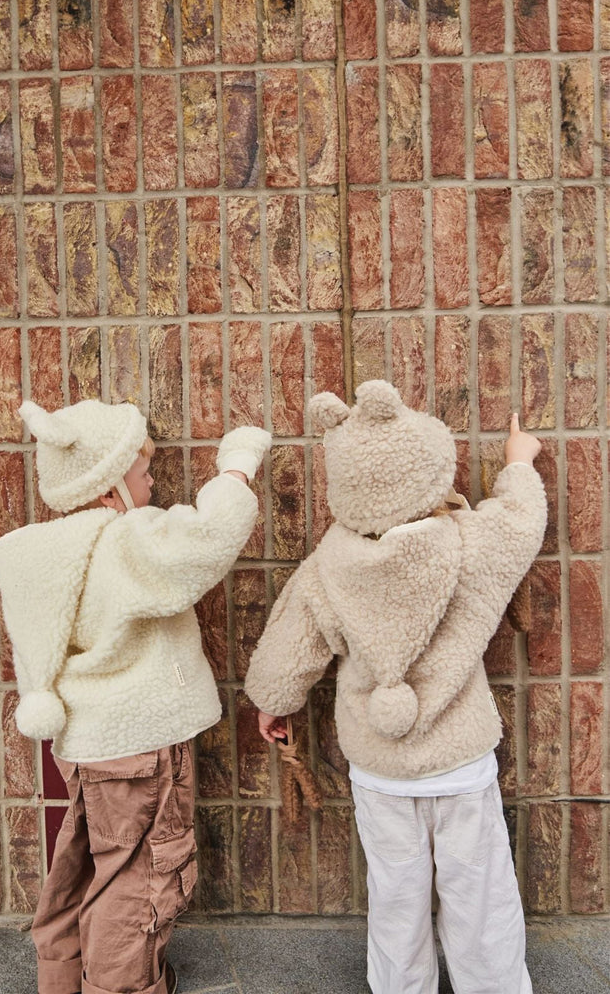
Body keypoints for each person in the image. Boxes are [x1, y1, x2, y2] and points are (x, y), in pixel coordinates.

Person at [244, 379, 546, 994]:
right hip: (461, 764)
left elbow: (287, 650)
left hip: (380, 768)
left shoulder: (327, 564)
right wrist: (518, 464)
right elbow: (520, 523)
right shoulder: (469, 542)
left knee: (395, 899)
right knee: (480, 894)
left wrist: (273, 706)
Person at [0, 397, 271, 994]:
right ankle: (121, 987)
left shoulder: (46, 552)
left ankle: (64, 978)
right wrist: (236, 468)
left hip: (90, 746)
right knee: (141, 881)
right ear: (108, 488)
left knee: (90, 864)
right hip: (140, 749)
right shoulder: (123, 543)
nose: (154, 483)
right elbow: (209, 538)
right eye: (144, 474)